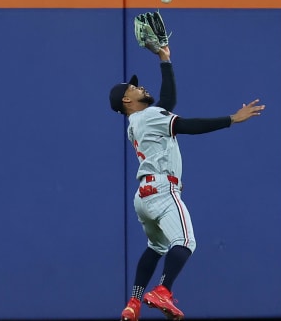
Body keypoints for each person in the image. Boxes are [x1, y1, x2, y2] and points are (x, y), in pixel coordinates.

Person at [109, 45, 265, 321]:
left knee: (156, 247)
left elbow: (167, 103)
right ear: (126, 101)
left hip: (143, 198)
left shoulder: (136, 122)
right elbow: (187, 124)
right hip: (161, 189)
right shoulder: (147, 117)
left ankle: (133, 302)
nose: (139, 87)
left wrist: (165, 59)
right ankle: (163, 291)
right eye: (132, 88)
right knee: (185, 241)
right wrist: (232, 119)